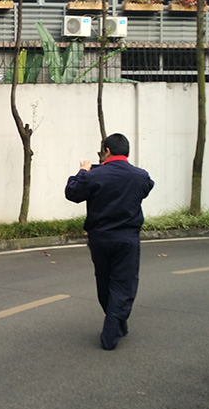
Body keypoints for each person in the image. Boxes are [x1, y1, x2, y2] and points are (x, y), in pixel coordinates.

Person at [65, 133, 154, 350]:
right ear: (128, 153)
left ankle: (116, 323)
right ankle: (111, 333)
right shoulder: (140, 176)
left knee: (104, 283)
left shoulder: (94, 176)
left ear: (106, 151)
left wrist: (83, 171)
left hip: (100, 239)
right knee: (123, 285)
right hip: (127, 239)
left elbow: (72, 193)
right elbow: (146, 188)